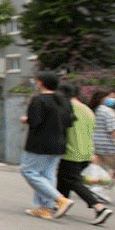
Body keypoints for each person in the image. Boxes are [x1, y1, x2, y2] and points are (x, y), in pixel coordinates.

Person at [20, 72, 76, 220]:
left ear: (41, 83)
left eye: (36, 81)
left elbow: (35, 121)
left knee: (29, 171)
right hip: (59, 143)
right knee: (47, 175)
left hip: (39, 144)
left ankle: (60, 200)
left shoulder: (38, 100)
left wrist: (26, 119)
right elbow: (70, 122)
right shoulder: (64, 101)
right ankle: (46, 208)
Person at [55, 83, 112, 225]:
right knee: (64, 178)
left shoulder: (67, 108)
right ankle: (61, 205)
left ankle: (99, 207)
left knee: (72, 180)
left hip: (72, 151)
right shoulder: (87, 110)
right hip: (86, 152)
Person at [88, 88, 115, 185]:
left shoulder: (91, 110)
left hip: (94, 145)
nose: (114, 98)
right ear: (103, 98)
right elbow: (113, 131)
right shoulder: (109, 112)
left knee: (98, 169)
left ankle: (97, 189)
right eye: (112, 96)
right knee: (108, 170)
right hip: (109, 147)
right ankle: (101, 190)